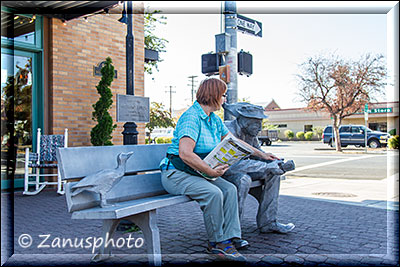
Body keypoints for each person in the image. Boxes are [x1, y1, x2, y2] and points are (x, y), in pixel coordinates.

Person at [159, 78, 277, 261]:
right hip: (176, 173)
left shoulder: (214, 119)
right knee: (214, 193)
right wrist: (210, 171)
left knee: (230, 189)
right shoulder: (191, 117)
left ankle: (229, 238)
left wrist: (262, 154)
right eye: (222, 95)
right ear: (213, 95)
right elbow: (185, 154)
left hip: (197, 172)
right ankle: (217, 244)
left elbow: (235, 142)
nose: (224, 99)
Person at [222, 102, 296, 234]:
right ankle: (232, 230)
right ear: (245, 121)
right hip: (223, 171)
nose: (260, 127)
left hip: (244, 168)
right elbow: (231, 165)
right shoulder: (228, 130)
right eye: (257, 123)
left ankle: (268, 222)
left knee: (274, 173)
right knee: (243, 180)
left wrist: (275, 162)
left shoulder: (250, 133)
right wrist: (267, 166)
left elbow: (257, 153)